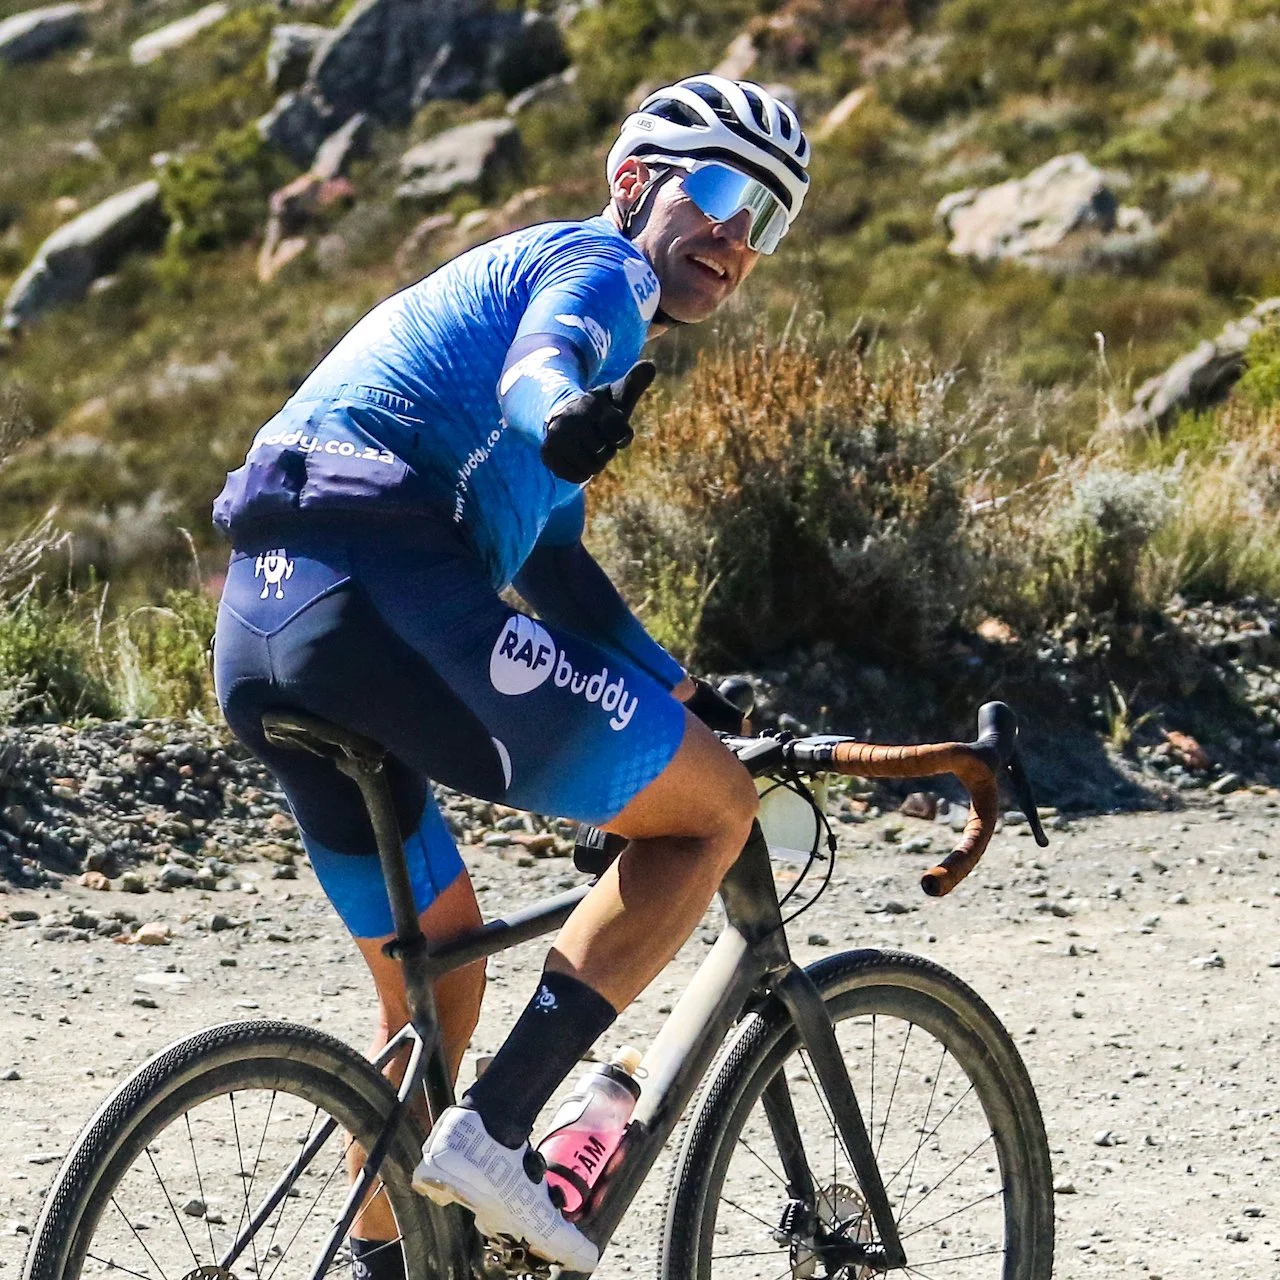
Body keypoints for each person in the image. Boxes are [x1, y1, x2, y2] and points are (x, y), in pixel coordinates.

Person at [211, 73, 810, 1276]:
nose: (736, 240)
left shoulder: (501, 293)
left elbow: (556, 567)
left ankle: (390, 1263)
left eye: (768, 220)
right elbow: (547, 366)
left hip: (263, 626)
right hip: (383, 600)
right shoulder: (601, 270)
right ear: (637, 181)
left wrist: (693, 701)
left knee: (442, 989)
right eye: (723, 192)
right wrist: (560, 412)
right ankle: (495, 1133)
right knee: (712, 812)